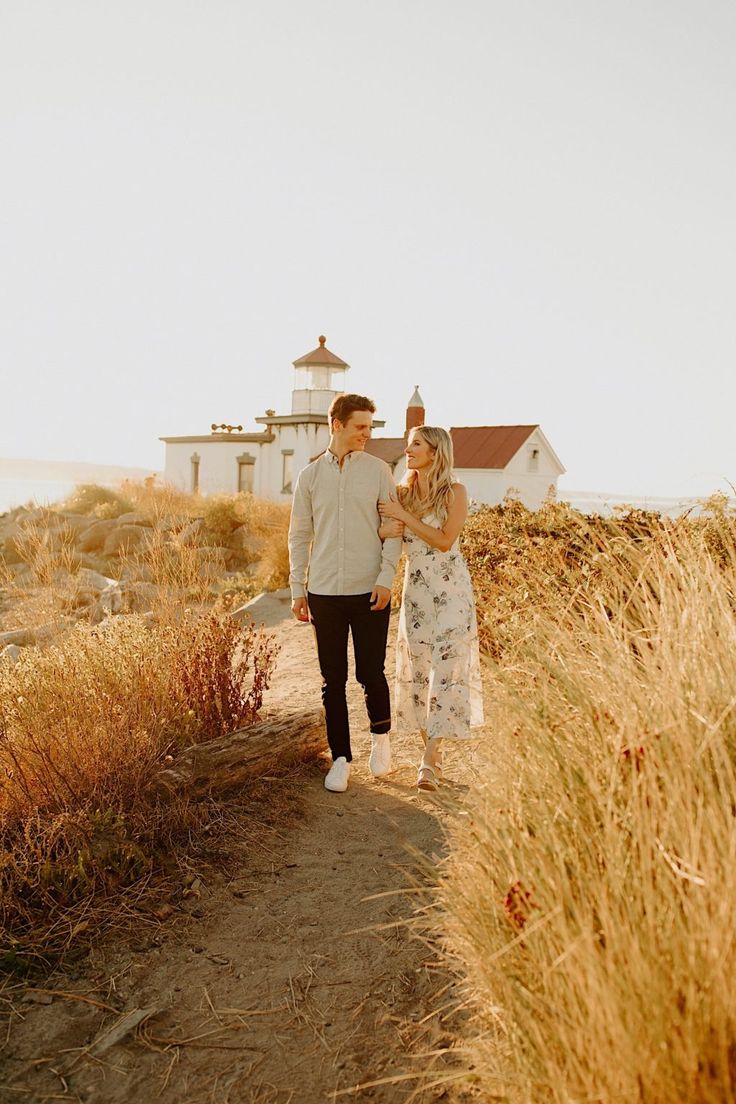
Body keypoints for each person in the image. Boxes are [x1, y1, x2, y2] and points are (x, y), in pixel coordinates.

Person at [288, 394, 403, 793]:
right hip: (322, 591)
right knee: (331, 679)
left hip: (369, 587)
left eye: (370, 428)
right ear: (335, 424)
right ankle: (340, 758)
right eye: (360, 427)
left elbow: (392, 531)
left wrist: (386, 577)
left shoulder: (378, 472)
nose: (366, 435)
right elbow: (299, 535)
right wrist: (296, 588)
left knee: (370, 672)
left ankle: (381, 739)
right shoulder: (309, 476)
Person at [378, 425, 484, 791]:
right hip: (416, 591)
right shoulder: (402, 494)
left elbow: (443, 540)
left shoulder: (455, 492)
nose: (408, 451)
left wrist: (403, 517)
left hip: (451, 590)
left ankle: (428, 760)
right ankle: (433, 757)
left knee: (447, 668)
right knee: (418, 668)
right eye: (408, 445)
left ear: (436, 451)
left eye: (416, 445)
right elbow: (388, 534)